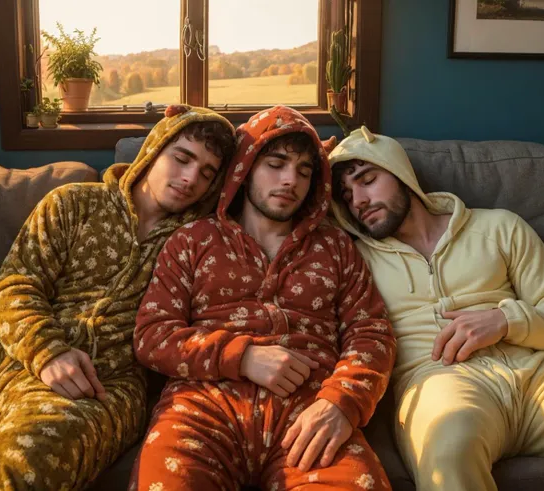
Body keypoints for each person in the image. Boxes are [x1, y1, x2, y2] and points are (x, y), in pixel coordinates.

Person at [328, 126, 544, 491]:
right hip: (439, 382)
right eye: (346, 196)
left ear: (401, 174)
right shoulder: (354, 259)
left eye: (367, 180)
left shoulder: (499, 227)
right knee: (447, 452)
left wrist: (505, 320)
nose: (358, 200)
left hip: (540, 373)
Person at [0, 105, 236, 490]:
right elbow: (16, 283)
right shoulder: (73, 202)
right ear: (153, 150)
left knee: (24, 464)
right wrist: (48, 351)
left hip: (99, 386)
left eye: (207, 173)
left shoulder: (198, 241)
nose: (191, 177)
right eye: (182, 158)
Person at [130, 106, 396, 490]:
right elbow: (152, 337)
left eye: (305, 171)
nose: (291, 180)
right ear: (244, 168)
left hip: (310, 414)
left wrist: (342, 403)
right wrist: (242, 357)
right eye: (276, 164)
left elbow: (371, 333)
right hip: (201, 410)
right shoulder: (193, 239)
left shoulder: (335, 246)